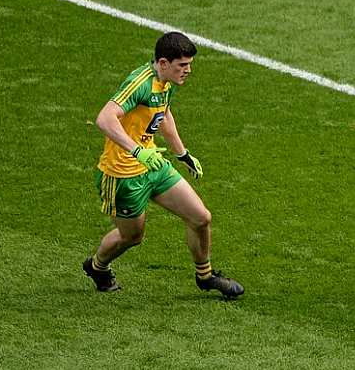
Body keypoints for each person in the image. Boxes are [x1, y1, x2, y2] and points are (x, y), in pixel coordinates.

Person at [83, 32, 244, 299]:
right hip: (123, 174)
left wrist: (182, 154)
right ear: (163, 62)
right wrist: (136, 151)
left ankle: (204, 276)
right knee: (132, 237)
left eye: (190, 64)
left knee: (201, 218)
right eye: (183, 65)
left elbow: (163, 113)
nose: (188, 70)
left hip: (153, 164)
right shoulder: (140, 84)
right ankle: (97, 266)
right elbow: (104, 118)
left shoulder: (165, 82)